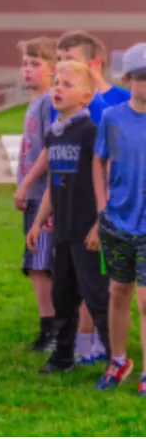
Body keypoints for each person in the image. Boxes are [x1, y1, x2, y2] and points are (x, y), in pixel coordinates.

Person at [26, 60, 110, 376]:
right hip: (62, 230)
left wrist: (99, 226)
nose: (58, 88)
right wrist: (37, 223)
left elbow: (106, 181)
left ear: (87, 97)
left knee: (98, 297)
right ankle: (63, 357)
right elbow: (52, 183)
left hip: (88, 232)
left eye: (68, 84)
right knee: (62, 297)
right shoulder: (55, 134)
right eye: (56, 83)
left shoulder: (91, 133)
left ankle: (116, 359)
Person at [53, 31, 131, 364]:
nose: (62, 68)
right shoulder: (63, 110)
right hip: (75, 209)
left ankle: (110, 348)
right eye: (59, 61)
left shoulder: (115, 104)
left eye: (69, 60)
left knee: (106, 285)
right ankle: (85, 344)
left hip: (113, 207)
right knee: (81, 283)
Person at [94, 43, 146, 395]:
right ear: (128, 79)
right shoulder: (112, 118)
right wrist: (102, 207)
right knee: (118, 292)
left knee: (145, 300)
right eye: (143, 78)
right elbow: (98, 161)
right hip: (118, 221)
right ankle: (119, 360)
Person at [12, 37, 57, 353]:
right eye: (25, 64)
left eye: (35, 64)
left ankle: (53, 329)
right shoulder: (34, 102)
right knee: (35, 265)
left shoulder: (49, 105)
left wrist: (28, 184)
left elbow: (51, 151)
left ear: (53, 69)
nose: (28, 70)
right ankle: (48, 328)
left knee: (42, 263)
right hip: (32, 198)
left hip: (45, 198)